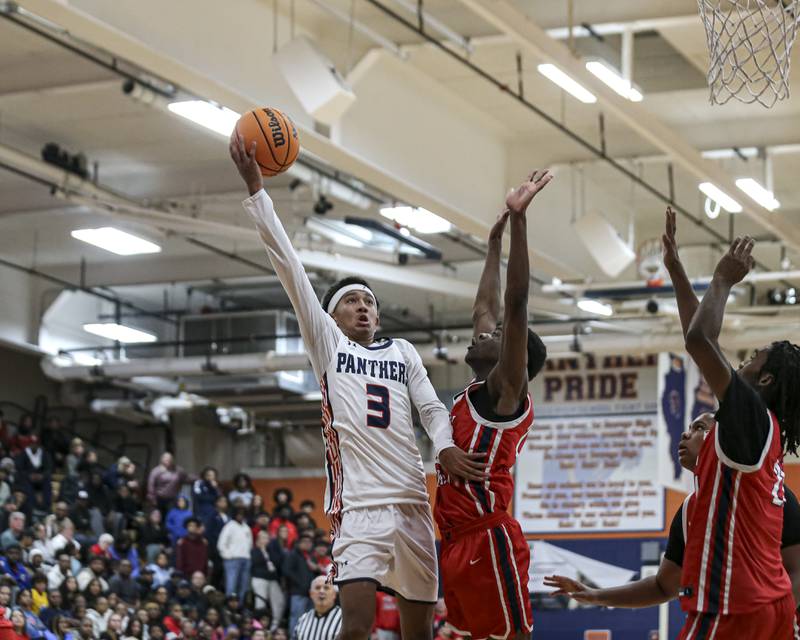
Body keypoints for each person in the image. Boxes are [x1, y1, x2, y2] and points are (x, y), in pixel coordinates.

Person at [231, 132, 482, 640]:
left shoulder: (403, 352)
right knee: (356, 629)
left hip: (413, 501)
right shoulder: (328, 346)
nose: (364, 306)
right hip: (360, 507)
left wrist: (446, 448)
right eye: (353, 301)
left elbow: (432, 408)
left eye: (370, 301)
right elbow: (289, 265)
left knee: (420, 634)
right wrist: (258, 190)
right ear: (330, 315)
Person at [663, 208, 800, 638]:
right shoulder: (761, 430)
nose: (739, 362)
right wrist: (677, 272)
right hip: (769, 604)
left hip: (733, 607)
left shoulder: (752, 420)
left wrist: (721, 280)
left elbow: (701, 341)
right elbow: (700, 342)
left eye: (751, 360)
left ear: (767, 380)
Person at [434, 171, 552, 640]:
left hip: (487, 535)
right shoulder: (473, 390)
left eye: (497, 336)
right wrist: (492, 247)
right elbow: (485, 306)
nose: (485, 331)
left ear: (512, 357)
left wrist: (520, 222)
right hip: (456, 541)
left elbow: (515, 303)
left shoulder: (506, 393)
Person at [545, 412, 800, 609]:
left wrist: (772, 622)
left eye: (699, 428)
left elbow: (797, 571)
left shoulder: (767, 493)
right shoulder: (689, 509)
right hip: (719, 623)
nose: (685, 435)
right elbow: (663, 586)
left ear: (723, 440)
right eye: (689, 428)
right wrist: (594, 595)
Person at [217, 508, 253, 602]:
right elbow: (221, 544)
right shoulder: (229, 526)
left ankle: (240, 608)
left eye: (242, 514)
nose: (240, 516)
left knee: (243, 586)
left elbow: (250, 544)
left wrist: (247, 555)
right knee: (231, 586)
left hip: (245, 559)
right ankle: (229, 608)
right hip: (232, 560)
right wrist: (228, 556)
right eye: (238, 514)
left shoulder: (246, 527)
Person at [250, 530, 284, 631]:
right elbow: (256, 562)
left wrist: (267, 551)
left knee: (279, 601)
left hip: (272, 579)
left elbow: (278, 562)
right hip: (259, 578)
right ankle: (257, 628)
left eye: (267, 538)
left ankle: (274, 627)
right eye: (263, 538)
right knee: (260, 603)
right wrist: (262, 550)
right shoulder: (254, 550)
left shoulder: (271, 551)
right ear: (258, 540)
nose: (266, 540)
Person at [293, 576, 341, 640]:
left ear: (334, 594)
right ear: (311, 594)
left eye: (326, 588)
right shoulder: (303, 619)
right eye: (317, 588)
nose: (321, 591)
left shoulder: (343, 619)